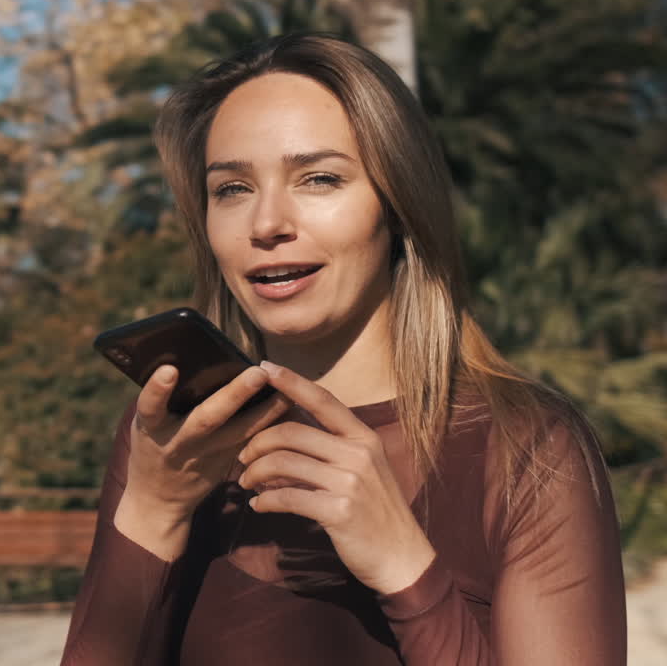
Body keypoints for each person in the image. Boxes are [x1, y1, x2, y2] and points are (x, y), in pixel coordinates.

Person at [60, 33, 626, 665]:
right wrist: (153, 513)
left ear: (398, 206)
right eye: (232, 189)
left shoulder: (527, 447)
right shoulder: (173, 440)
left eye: (319, 179)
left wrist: (405, 568)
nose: (266, 224)